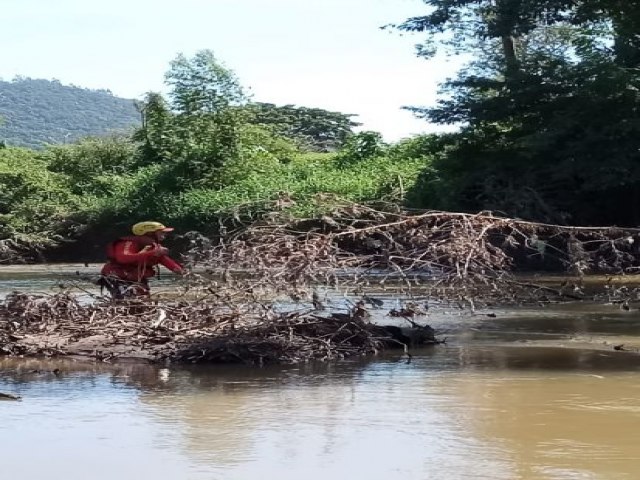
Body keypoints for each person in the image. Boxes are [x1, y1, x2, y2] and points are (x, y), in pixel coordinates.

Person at [99, 221, 184, 299]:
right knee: (126, 300)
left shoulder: (154, 248)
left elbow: (169, 263)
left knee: (143, 301)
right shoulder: (128, 243)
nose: (164, 234)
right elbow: (123, 258)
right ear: (149, 233)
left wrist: (184, 273)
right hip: (116, 277)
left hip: (135, 278)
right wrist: (151, 253)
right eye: (161, 232)